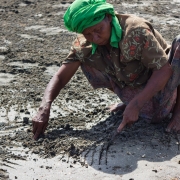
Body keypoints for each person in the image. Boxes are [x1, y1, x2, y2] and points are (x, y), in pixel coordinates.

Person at [32, 0, 180, 140]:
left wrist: (136, 105)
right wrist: (45, 105)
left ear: (108, 17)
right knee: (84, 55)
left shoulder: (135, 31)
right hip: (140, 89)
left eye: (98, 30)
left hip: (169, 85)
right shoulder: (84, 44)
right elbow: (60, 77)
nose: (95, 38)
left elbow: (164, 71)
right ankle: (130, 98)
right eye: (88, 34)